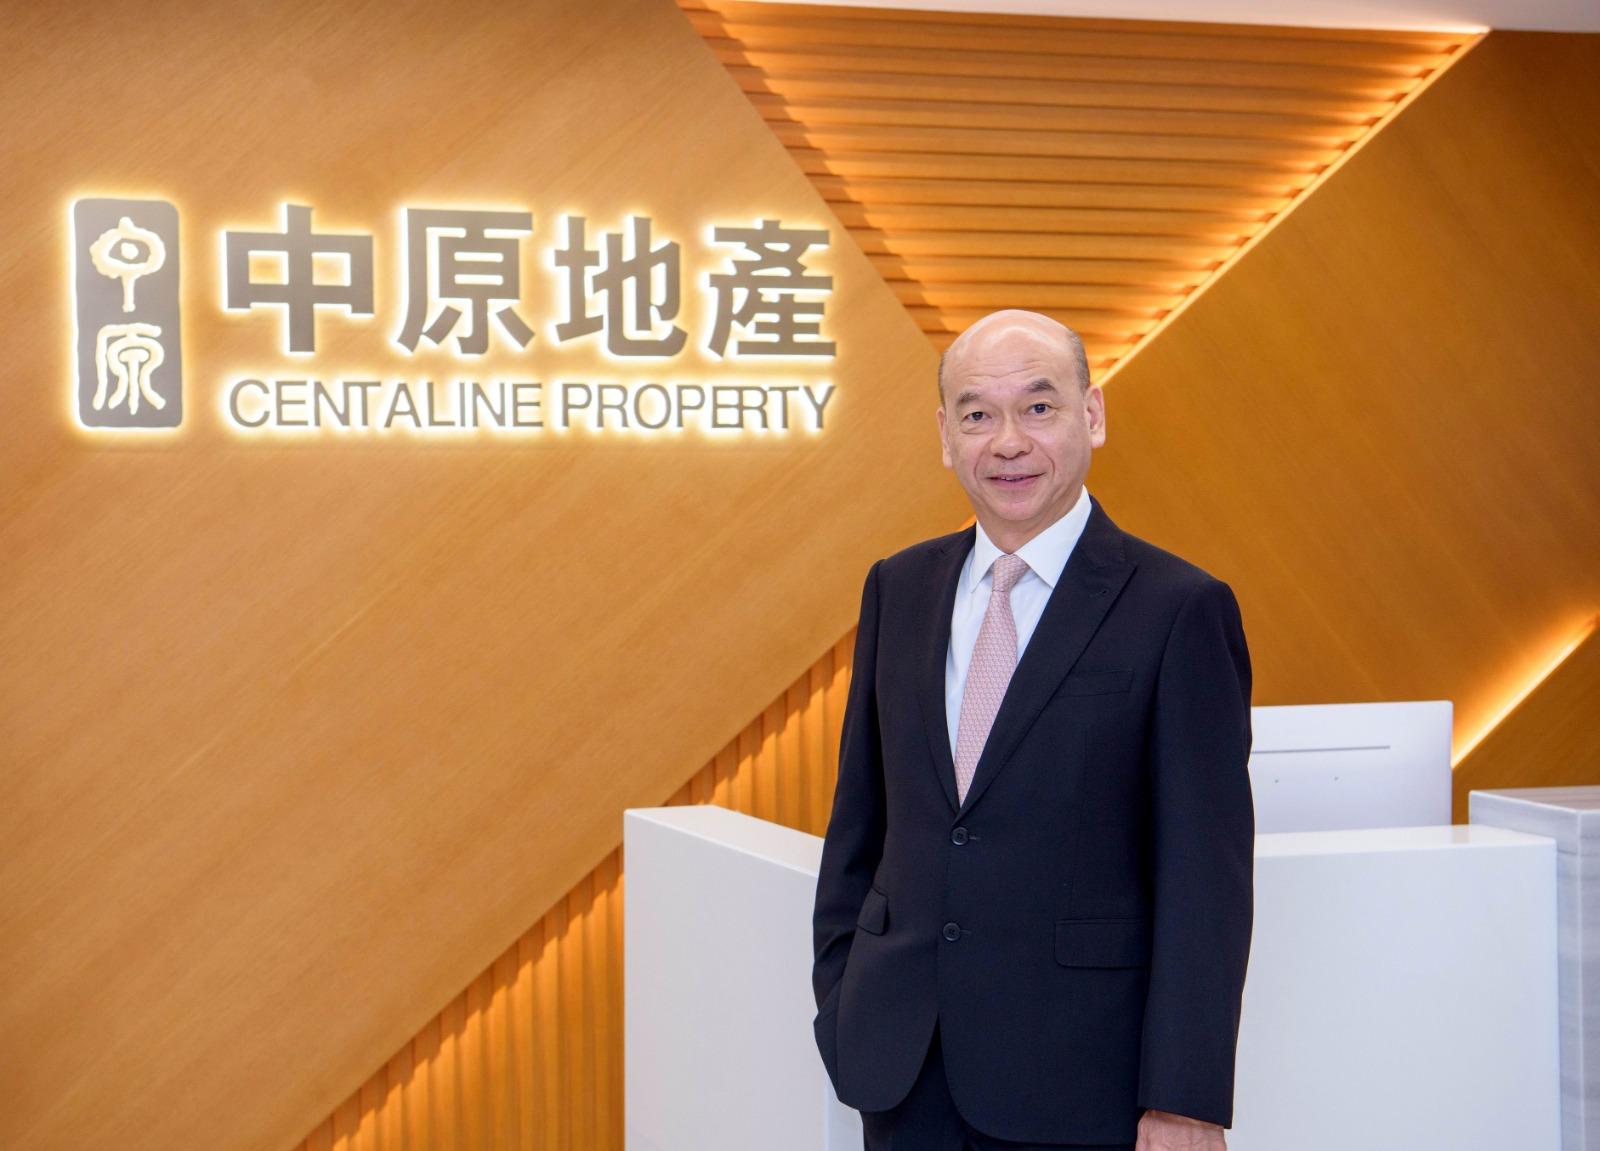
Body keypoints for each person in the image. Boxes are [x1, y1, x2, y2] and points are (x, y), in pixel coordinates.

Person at [810, 309, 1254, 1151]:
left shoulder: (1179, 608)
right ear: (946, 437)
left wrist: (1185, 1098)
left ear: (1092, 414)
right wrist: (845, 996)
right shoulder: (898, 588)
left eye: (1038, 407)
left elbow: (1206, 877)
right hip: (903, 1074)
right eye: (978, 414)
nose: (1008, 442)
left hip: (1081, 1084)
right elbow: (861, 823)